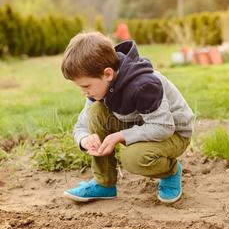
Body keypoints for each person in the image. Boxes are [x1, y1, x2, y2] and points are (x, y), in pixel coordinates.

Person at [60, 32, 194, 203]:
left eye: (86, 86)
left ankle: (170, 171)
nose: (84, 92)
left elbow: (164, 127)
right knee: (96, 112)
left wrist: (121, 136)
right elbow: (82, 124)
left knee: (133, 159)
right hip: (141, 125)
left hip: (174, 133)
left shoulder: (144, 86)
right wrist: (84, 139)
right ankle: (104, 183)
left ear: (107, 74)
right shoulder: (100, 87)